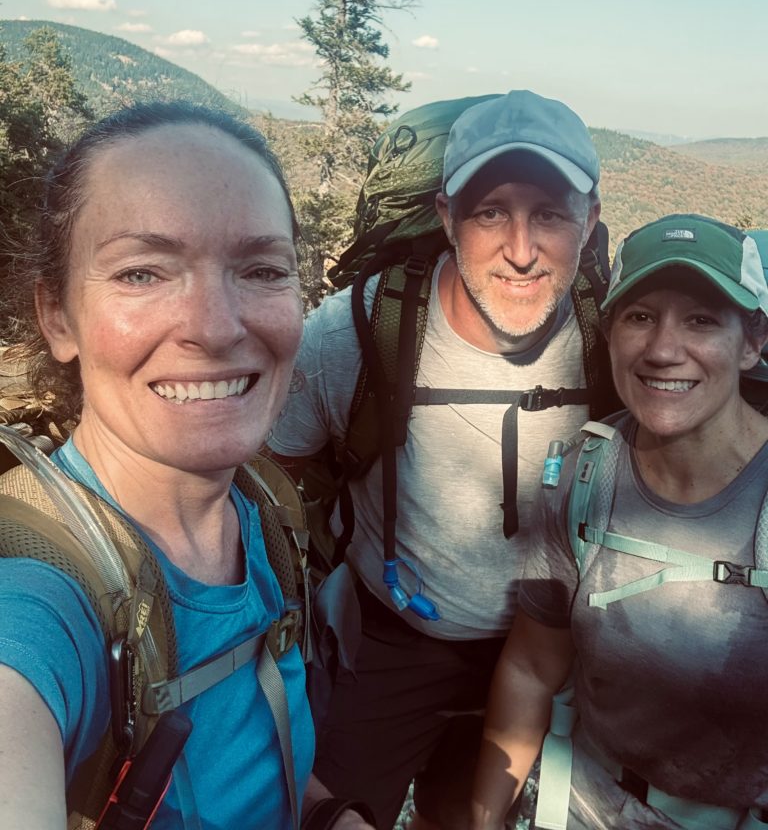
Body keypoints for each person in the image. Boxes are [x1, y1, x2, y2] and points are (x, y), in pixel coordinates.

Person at [0, 103, 374, 830]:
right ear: (57, 317)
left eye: (262, 269)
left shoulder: (264, 510)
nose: (213, 325)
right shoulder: (40, 602)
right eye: (142, 272)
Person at [267, 90, 606, 829]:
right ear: (447, 218)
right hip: (391, 645)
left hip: (549, 652)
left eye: (550, 213)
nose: (521, 249)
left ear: (591, 220)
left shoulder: (614, 338)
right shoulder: (358, 330)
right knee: (334, 809)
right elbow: (267, 476)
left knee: (462, 814)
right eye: (491, 213)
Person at [470, 214, 768, 830]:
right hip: (586, 804)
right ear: (610, 335)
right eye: (639, 316)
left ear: (752, 342)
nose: (662, 348)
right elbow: (531, 664)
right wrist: (485, 817)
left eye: (701, 320)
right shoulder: (583, 474)